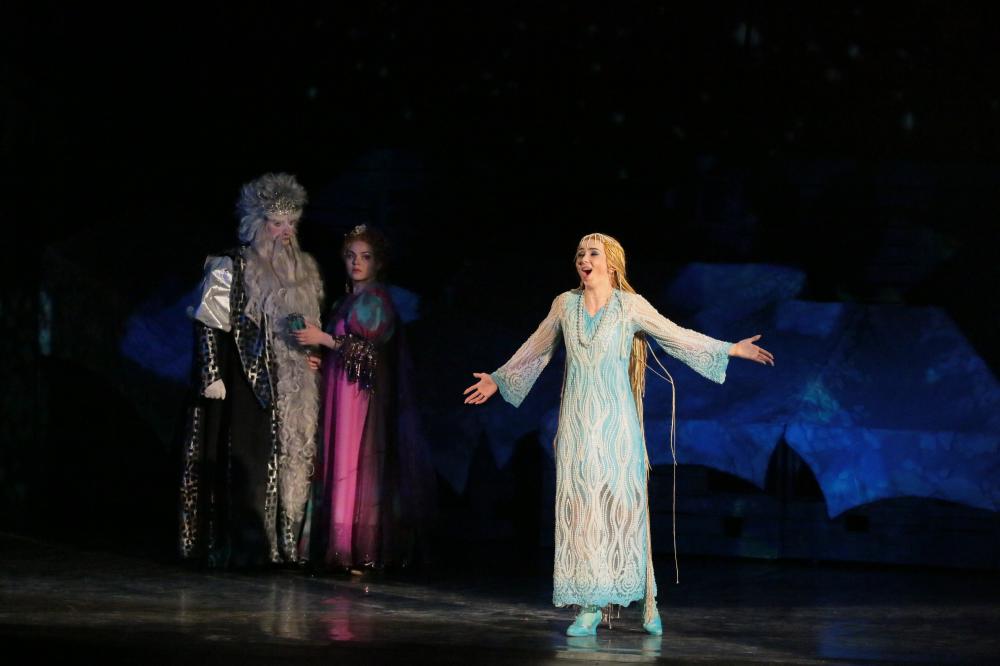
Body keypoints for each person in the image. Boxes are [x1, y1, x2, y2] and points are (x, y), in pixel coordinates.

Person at [463, 232, 774, 636]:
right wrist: (499, 379)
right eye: (579, 253)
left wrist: (729, 349)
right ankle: (589, 606)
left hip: (617, 423)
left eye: (593, 253)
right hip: (576, 423)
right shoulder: (565, 304)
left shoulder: (630, 306)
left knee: (624, 508)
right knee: (581, 510)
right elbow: (536, 348)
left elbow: (675, 335)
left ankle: (646, 598)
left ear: (611, 262)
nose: (584, 259)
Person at [179, 172, 324, 567]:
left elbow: (305, 324)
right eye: (277, 223)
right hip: (245, 380)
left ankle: (282, 547)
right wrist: (211, 374)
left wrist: (312, 354)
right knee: (248, 460)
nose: (286, 232)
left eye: (291, 223)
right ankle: (248, 547)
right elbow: (208, 323)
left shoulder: (303, 271)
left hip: (289, 387)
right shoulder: (231, 266)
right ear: (257, 224)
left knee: (287, 460)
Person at [295, 224, 434, 571]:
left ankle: (355, 546)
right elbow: (345, 348)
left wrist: (325, 340)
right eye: (351, 256)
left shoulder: (375, 300)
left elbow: (369, 352)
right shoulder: (345, 301)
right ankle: (334, 544)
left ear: (378, 262)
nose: (357, 263)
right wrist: (322, 358)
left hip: (359, 396)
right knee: (337, 459)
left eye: (366, 257)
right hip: (340, 390)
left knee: (355, 462)